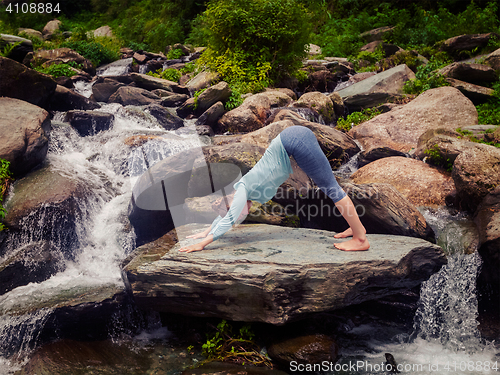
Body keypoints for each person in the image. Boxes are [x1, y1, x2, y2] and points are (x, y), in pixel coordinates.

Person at [179, 125, 370, 253]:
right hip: (292, 139)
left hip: (293, 141)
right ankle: (354, 228)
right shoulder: (244, 193)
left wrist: (203, 243)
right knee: (329, 185)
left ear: (232, 203)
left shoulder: (243, 191)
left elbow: (228, 218)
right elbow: (225, 215)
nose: (240, 217)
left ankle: (360, 238)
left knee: (331, 188)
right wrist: (206, 230)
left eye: (237, 214)